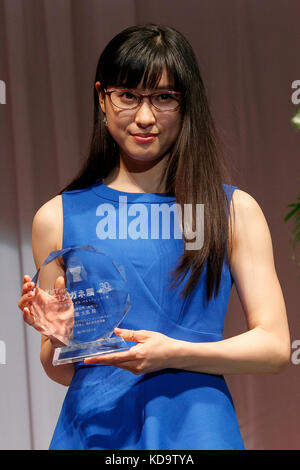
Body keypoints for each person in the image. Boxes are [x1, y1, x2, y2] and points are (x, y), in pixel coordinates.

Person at [18, 24, 290, 450]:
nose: (145, 117)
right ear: (102, 98)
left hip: (198, 432)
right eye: (128, 96)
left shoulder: (233, 212)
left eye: (163, 97)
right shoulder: (56, 217)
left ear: (186, 104)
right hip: (95, 432)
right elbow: (62, 369)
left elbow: (274, 348)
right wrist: (61, 338)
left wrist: (172, 353)